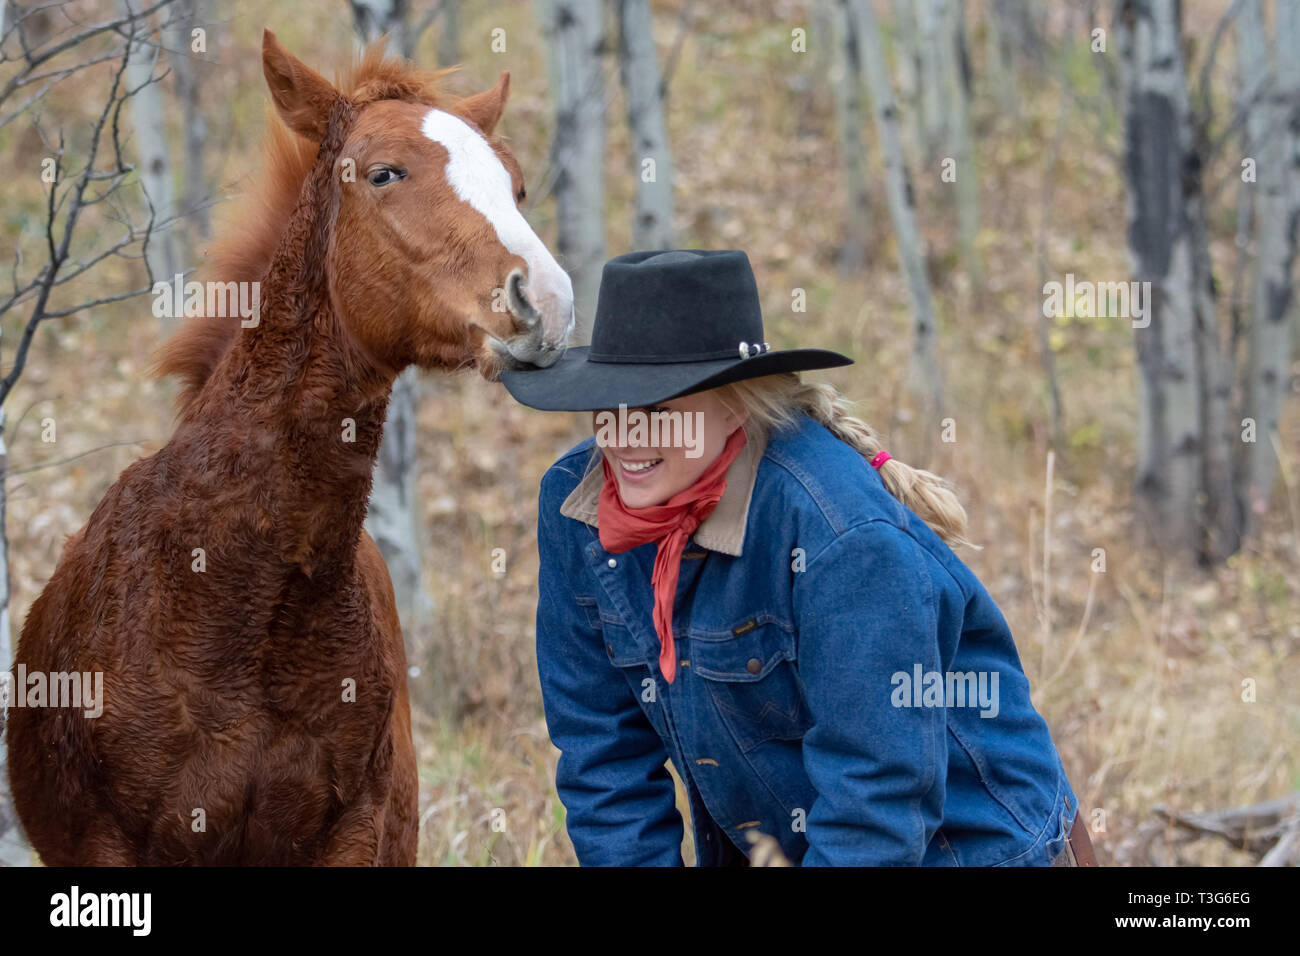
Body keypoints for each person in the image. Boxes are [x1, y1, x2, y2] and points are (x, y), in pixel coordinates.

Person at [501, 249, 1095, 867]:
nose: (626, 438)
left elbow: (877, 799)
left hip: (967, 851)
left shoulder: (843, 536)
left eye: (658, 410)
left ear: (734, 404)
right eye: (609, 405)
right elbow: (603, 758)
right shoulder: (576, 509)